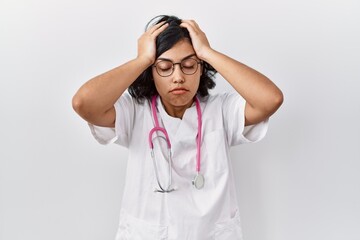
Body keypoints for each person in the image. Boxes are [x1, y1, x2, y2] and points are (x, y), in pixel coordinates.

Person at [72, 15, 283, 240]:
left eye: (189, 65)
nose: (178, 77)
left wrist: (207, 52)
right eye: (164, 67)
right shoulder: (135, 112)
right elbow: (83, 103)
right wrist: (142, 59)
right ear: (151, 72)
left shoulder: (221, 110)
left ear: (202, 69)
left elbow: (270, 99)